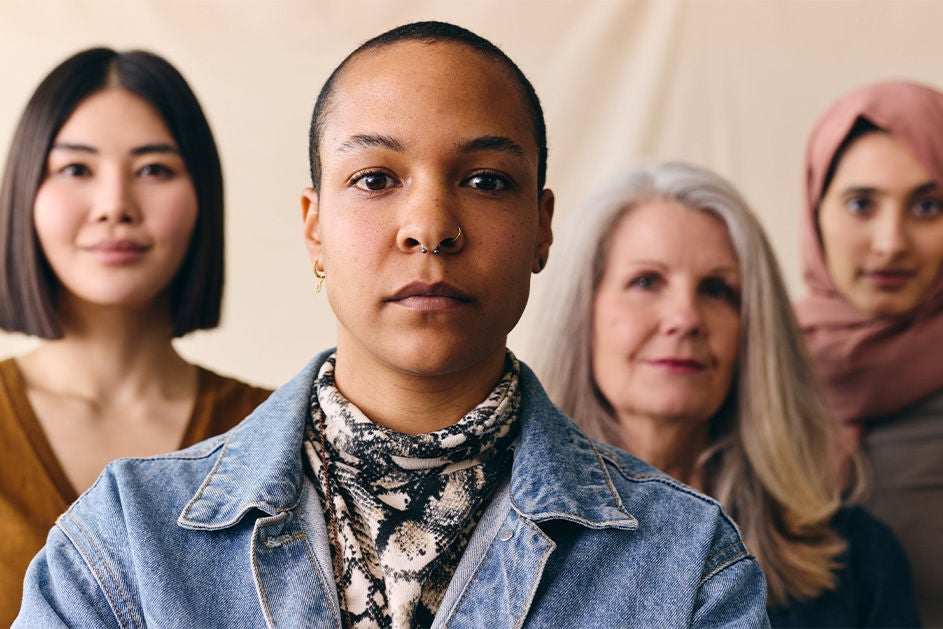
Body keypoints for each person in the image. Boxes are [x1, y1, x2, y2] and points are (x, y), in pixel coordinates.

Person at [14, 23, 768, 628]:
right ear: (313, 227)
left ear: (542, 228)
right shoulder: (127, 542)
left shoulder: (685, 557)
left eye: (484, 181)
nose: (430, 227)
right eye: (375, 179)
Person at [533, 162, 920, 627]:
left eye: (717, 290)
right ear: (583, 313)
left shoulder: (857, 558)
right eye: (646, 281)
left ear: (754, 331)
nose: (685, 317)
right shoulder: (506, 536)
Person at [0, 48, 271, 625]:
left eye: (154, 170)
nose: (114, 206)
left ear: (202, 197)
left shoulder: (273, 432)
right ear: (25, 192)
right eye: (76, 169)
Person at [797, 79, 943, 627]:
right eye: (862, 204)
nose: (891, 242)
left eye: (927, 206)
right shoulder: (750, 364)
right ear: (816, 211)